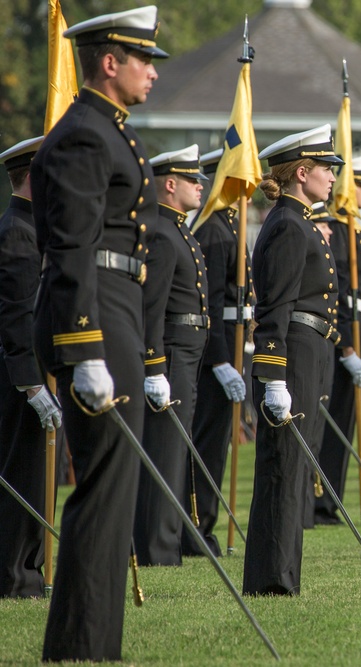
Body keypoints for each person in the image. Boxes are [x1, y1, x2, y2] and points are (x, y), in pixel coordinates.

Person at [31, 7, 168, 661]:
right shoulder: (87, 133)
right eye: (145, 61)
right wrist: (83, 348)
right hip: (96, 311)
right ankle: (82, 644)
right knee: (104, 488)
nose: (153, 74)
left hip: (119, 305)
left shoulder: (110, 129)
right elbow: (73, 247)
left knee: (116, 490)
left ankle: (94, 640)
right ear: (109, 63)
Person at [243, 124, 342, 595]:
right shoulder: (287, 224)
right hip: (294, 352)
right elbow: (275, 309)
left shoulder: (298, 220)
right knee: (285, 465)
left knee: (295, 467)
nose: (333, 178)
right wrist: (273, 375)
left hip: (311, 350)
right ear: (302, 172)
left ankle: (282, 574)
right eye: (327, 169)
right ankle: (273, 580)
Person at [133, 145, 211, 566]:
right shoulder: (163, 233)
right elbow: (153, 308)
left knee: (176, 448)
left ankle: (169, 538)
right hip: (173, 350)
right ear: (169, 184)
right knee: (164, 450)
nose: (200, 187)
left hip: (189, 350)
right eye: (191, 179)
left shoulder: (180, 230)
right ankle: (156, 548)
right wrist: (154, 366)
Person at [0, 136, 62, 599]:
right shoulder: (18, 233)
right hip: (22, 378)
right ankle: (15, 575)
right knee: (23, 473)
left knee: (39, 473)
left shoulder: (34, 230)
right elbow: (18, 317)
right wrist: (31, 384)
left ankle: (28, 569)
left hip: (37, 371)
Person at [182, 147, 252, 557]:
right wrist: (221, 358)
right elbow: (208, 302)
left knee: (218, 442)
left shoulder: (229, 226)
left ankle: (203, 525)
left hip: (230, 345)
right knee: (207, 443)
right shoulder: (214, 230)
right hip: (215, 353)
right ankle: (196, 527)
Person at [314, 158, 361, 526]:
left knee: (345, 424)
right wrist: (347, 347)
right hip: (342, 339)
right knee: (331, 424)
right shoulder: (336, 231)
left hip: (359, 331)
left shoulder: (356, 230)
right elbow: (336, 296)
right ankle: (319, 501)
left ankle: (329, 500)